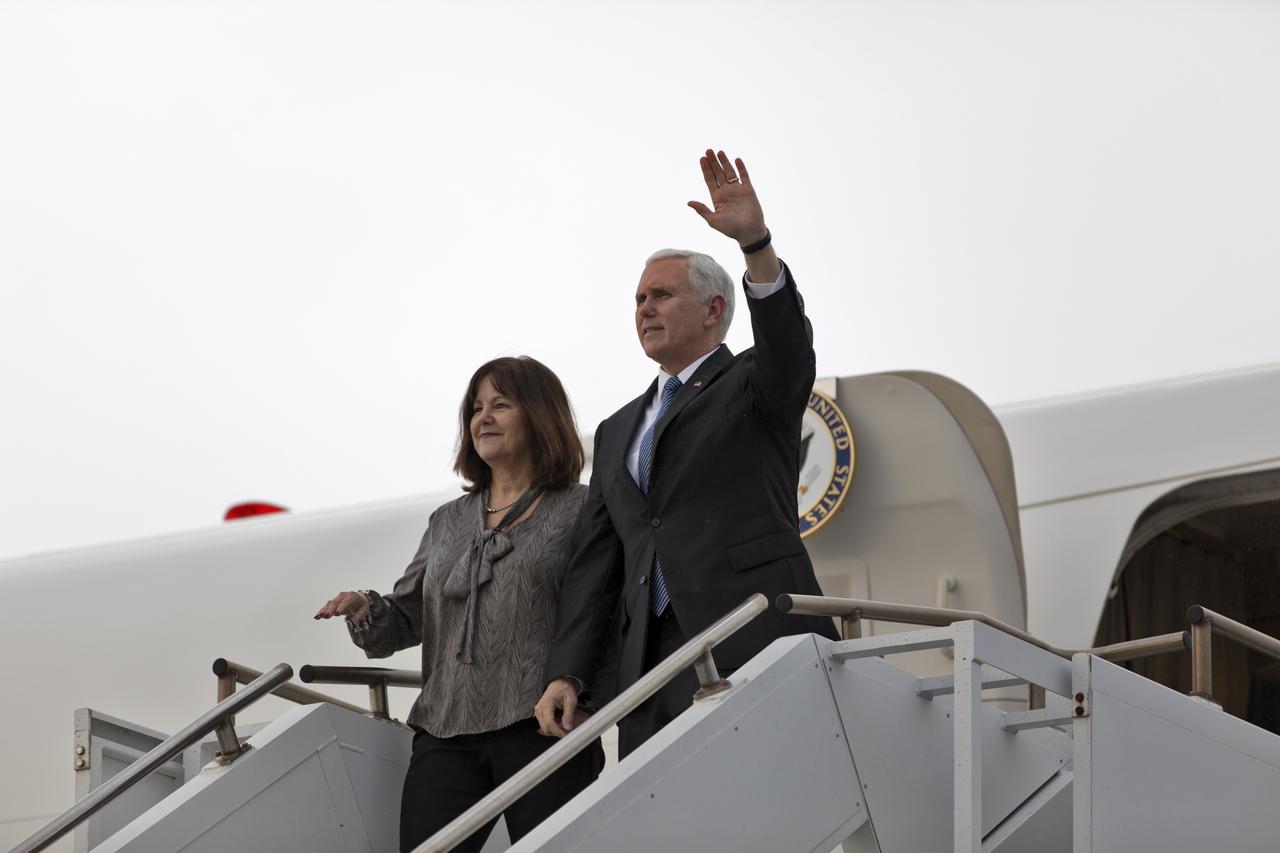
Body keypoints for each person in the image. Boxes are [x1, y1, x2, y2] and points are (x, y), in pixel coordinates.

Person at [534, 149, 839, 757]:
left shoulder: (755, 383)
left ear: (714, 309)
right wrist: (569, 670)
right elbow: (598, 567)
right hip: (651, 669)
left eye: (661, 295)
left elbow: (786, 341)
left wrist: (756, 245)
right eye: (639, 299)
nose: (644, 308)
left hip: (753, 634)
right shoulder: (617, 430)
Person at [315, 356, 602, 853]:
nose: (483, 418)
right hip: (445, 733)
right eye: (476, 408)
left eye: (501, 404)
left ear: (539, 415)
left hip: (543, 726)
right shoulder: (446, 520)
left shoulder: (581, 508)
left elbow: (599, 610)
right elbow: (406, 620)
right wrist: (365, 607)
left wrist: (574, 683)